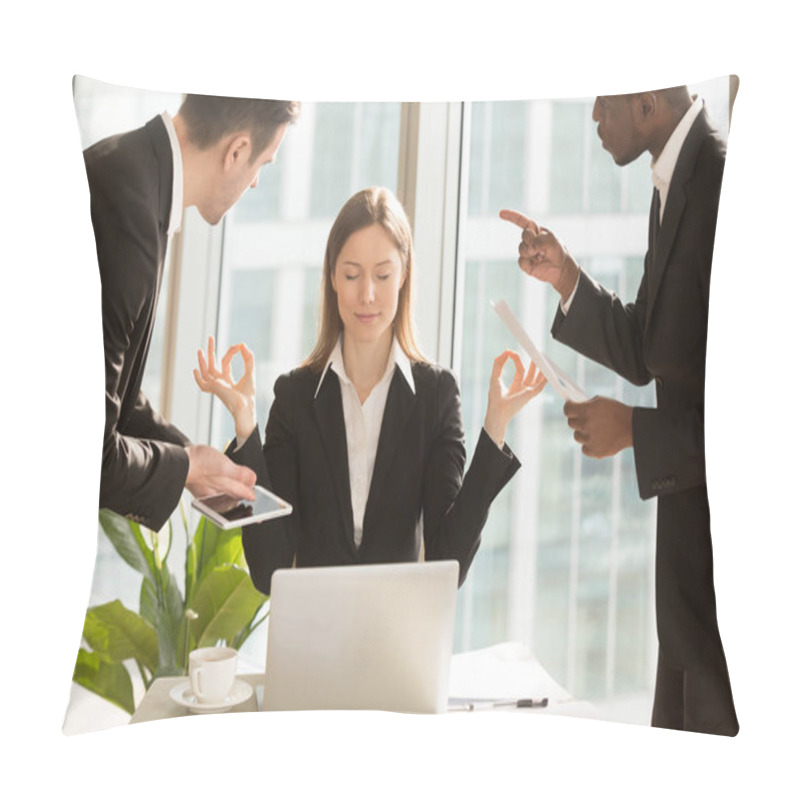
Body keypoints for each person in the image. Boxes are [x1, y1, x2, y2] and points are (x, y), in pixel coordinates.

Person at [500, 86, 738, 735]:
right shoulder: (675, 180)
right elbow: (653, 347)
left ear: (646, 101)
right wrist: (566, 276)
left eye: (604, 100)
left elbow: (760, 420)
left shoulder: (723, 184)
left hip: (727, 582)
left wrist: (634, 429)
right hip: (688, 572)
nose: (594, 117)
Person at [195, 186, 546, 593]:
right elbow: (268, 570)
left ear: (403, 276)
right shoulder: (294, 397)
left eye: (382, 275)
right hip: (315, 638)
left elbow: (448, 562)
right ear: (331, 278)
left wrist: (495, 428)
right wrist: (245, 427)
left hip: (395, 642)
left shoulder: (436, 397)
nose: (367, 295)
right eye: (351, 275)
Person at [84, 92, 301, 532]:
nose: (255, 182)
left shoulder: (134, 171)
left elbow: (110, 395)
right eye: (263, 164)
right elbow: (91, 454)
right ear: (237, 151)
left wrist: (193, 459)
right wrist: (186, 467)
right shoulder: (131, 216)